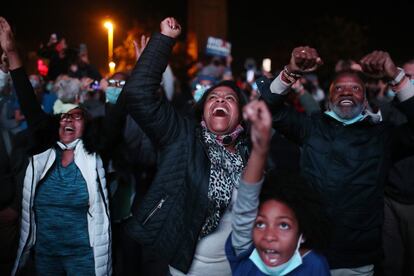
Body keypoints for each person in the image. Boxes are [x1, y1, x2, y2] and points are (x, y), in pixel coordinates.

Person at [256, 46, 414, 275]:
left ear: (366, 99)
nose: (346, 92)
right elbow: (269, 107)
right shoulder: (311, 127)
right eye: (339, 88)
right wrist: (291, 71)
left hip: (357, 259)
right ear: (329, 98)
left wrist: (396, 77)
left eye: (355, 88)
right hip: (310, 253)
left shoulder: (381, 136)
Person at [123, 17, 250, 275]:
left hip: (242, 267)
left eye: (229, 98)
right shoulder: (184, 138)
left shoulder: (253, 151)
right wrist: (164, 41)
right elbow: (138, 95)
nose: (220, 101)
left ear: (242, 112)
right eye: (212, 97)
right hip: (189, 267)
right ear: (202, 111)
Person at [0, 17, 115, 275]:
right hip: (46, 257)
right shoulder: (45, 149)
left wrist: (115, 88)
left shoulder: (95, 153)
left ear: (88, 125)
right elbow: (28, 100)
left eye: (77, 116)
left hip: (83, 259)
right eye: (64, 116)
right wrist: (11, 51)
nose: (68, 120)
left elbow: (120, 110)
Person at [226, 99, 331, 276]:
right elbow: (245, 205)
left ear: (302, 234)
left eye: (283, 225)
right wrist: (260, 150)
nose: (269, 236)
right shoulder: (245, 258)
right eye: (260, 223)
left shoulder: (315, 267)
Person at [382, 59, 414, 276]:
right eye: (405, 75)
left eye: (411, 77)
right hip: (390, 198)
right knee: (391, 263)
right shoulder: (387, 110)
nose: (406, 81)